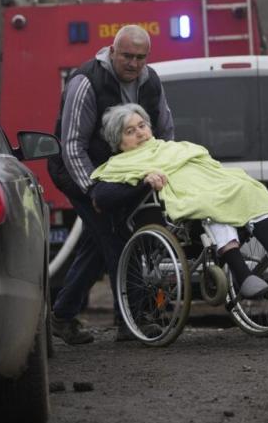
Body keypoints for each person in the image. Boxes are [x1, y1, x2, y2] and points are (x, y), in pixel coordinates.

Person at [90, 103, 268, 298]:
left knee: (248, 188)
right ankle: (242, 274)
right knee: (212, 206)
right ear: (118, 141)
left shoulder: (176, 148)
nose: (140, 133)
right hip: (186, 205)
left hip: (213, 188)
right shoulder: (119, 165)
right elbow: (102, 197)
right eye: (130, 131)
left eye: (142, 125)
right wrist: (144, 183)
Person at [47, 25, 175, 344]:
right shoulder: (86, 81)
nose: (133, 64)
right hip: (77, 172)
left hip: (121, 172)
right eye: (128, 56)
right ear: (112, 50)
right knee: (116, 238)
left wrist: (167, 163)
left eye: (140, 58)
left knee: (97, 244)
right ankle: (130, 322)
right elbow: (72, 145)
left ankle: (61, 317)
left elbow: (165, 129)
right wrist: (93, 192)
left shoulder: (151, 81)